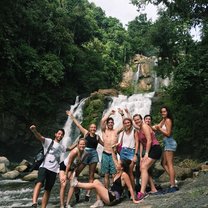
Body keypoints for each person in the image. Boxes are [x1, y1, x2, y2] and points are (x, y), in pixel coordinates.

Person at [70, 146, 139, 208]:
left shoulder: (124, 175)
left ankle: (77, 184)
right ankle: (99, 202)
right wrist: (112, 150)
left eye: (119, 163)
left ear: (122, 167)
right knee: (96, 181)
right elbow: (114, 159)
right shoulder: (118, 172)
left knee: (96, 185)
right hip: (109, 194)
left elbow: (130, 187)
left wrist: (134, 200)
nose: (117, 164)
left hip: (113, 198)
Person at [66, 110, 104, 202]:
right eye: (92, 127)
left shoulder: (97, 137)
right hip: (84, 154)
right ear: (89, 128)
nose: (93, 129)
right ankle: (76, 190)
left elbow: (105, 144)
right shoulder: (86, 133)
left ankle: (88, 194)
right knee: (76, 174)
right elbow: (78, 125)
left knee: (91, 175)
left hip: (94, 155)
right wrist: (71, 116)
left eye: (94, 127)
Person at [30, 125, 65, 208]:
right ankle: (34, 203)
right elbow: (40, 137)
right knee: (39, 182)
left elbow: (69, 148)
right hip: (44, 166)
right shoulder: (49, 141)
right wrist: (34, 131)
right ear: (55, 134)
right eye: (59, 134)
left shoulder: (62, 147)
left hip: (54, 170)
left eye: (62, 134)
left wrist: (78, 144)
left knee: (48, 190)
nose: (60, 135)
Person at [152, 106, 178, 192]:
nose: (163, 113)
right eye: (162, 112)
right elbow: (156, 127)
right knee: (163, 163)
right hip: (167, 143)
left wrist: (159, 129)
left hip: (170, 142)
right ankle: (173, 180)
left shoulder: (168, 120)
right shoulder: (164, 119)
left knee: (169, 164)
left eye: (164, 112)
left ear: (167, 112)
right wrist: (146, 125)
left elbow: (168, 133)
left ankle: (173, 185)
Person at [136, 118, 162, 201]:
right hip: (150, 150)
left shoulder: (145, 126)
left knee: (143, 167)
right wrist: (140, 156)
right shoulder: (138, 130)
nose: (137, 121)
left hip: (155, 148)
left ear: (141, 119)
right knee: (143, 168)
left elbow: (149, 140)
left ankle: (142, 192)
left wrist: (146, 154)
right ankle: (153, 189)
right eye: (135, 120)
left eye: (138, 119)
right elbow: (141, 144)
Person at [59, 138, 87, 208]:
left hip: (72, 168)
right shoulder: (74, 152)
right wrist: (65, 175)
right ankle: (62, 205)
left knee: (73, 184)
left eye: (83, 144)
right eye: (81, 144)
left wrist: (74, 172)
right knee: (64, 184)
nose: (82, 146)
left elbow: (78, 164)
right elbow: (68, 164)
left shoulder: (85, 153)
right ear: (77, 144)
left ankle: (67, 203)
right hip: (64, 167)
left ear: (85, 145)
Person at [100, 109, 123, 188]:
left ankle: (115, 190)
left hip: (113, 155)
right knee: (106, 175)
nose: (110, 123)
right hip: (105, 154)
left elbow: (124, 125)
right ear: (107, 124)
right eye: (109, 122)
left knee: (114, 174)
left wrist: (122, 115)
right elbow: (103, 120)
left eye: (111, 122)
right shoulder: (104, 130)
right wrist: (109, 113)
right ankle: (106, 191)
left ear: (113, 123)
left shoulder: (116, 131)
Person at [116, 117, 139, 190]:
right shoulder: (122, 132)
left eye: (128, 122)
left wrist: (135, 155)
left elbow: (137, 143)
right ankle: (123, 190)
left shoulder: (134, 131)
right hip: (123, 152)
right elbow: (120, 143)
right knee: (121, 171)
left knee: (130, 171)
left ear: (131, 123)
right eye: (125, 123)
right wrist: (116, 146)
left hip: (131, 152)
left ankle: (133, 190)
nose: (127, 124)